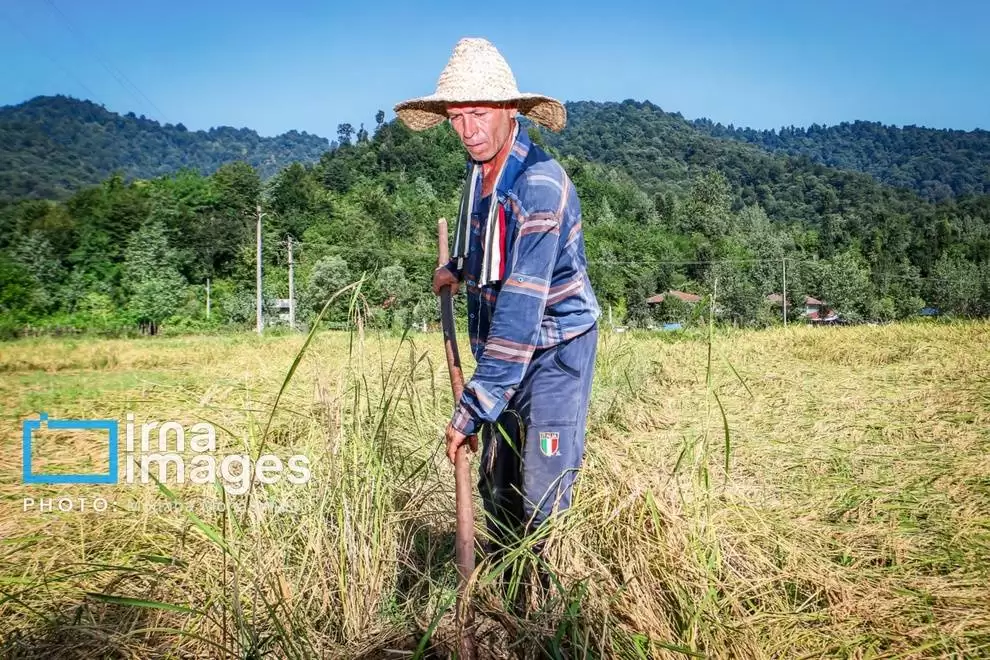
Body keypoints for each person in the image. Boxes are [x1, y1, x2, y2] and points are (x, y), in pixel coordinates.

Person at [394, 37, 600, 567]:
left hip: (554, 351)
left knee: (542, 487)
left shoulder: (540, 186)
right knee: (497, 480)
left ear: (510, 111)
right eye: (457, 117)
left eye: (479, 113)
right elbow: (492, 252)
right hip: (503, 352)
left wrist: (470, 408)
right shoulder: (479, 174)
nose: (468, 130)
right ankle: (504, 590)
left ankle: (547, 613)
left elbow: (520, 307)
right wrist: (457, 268)